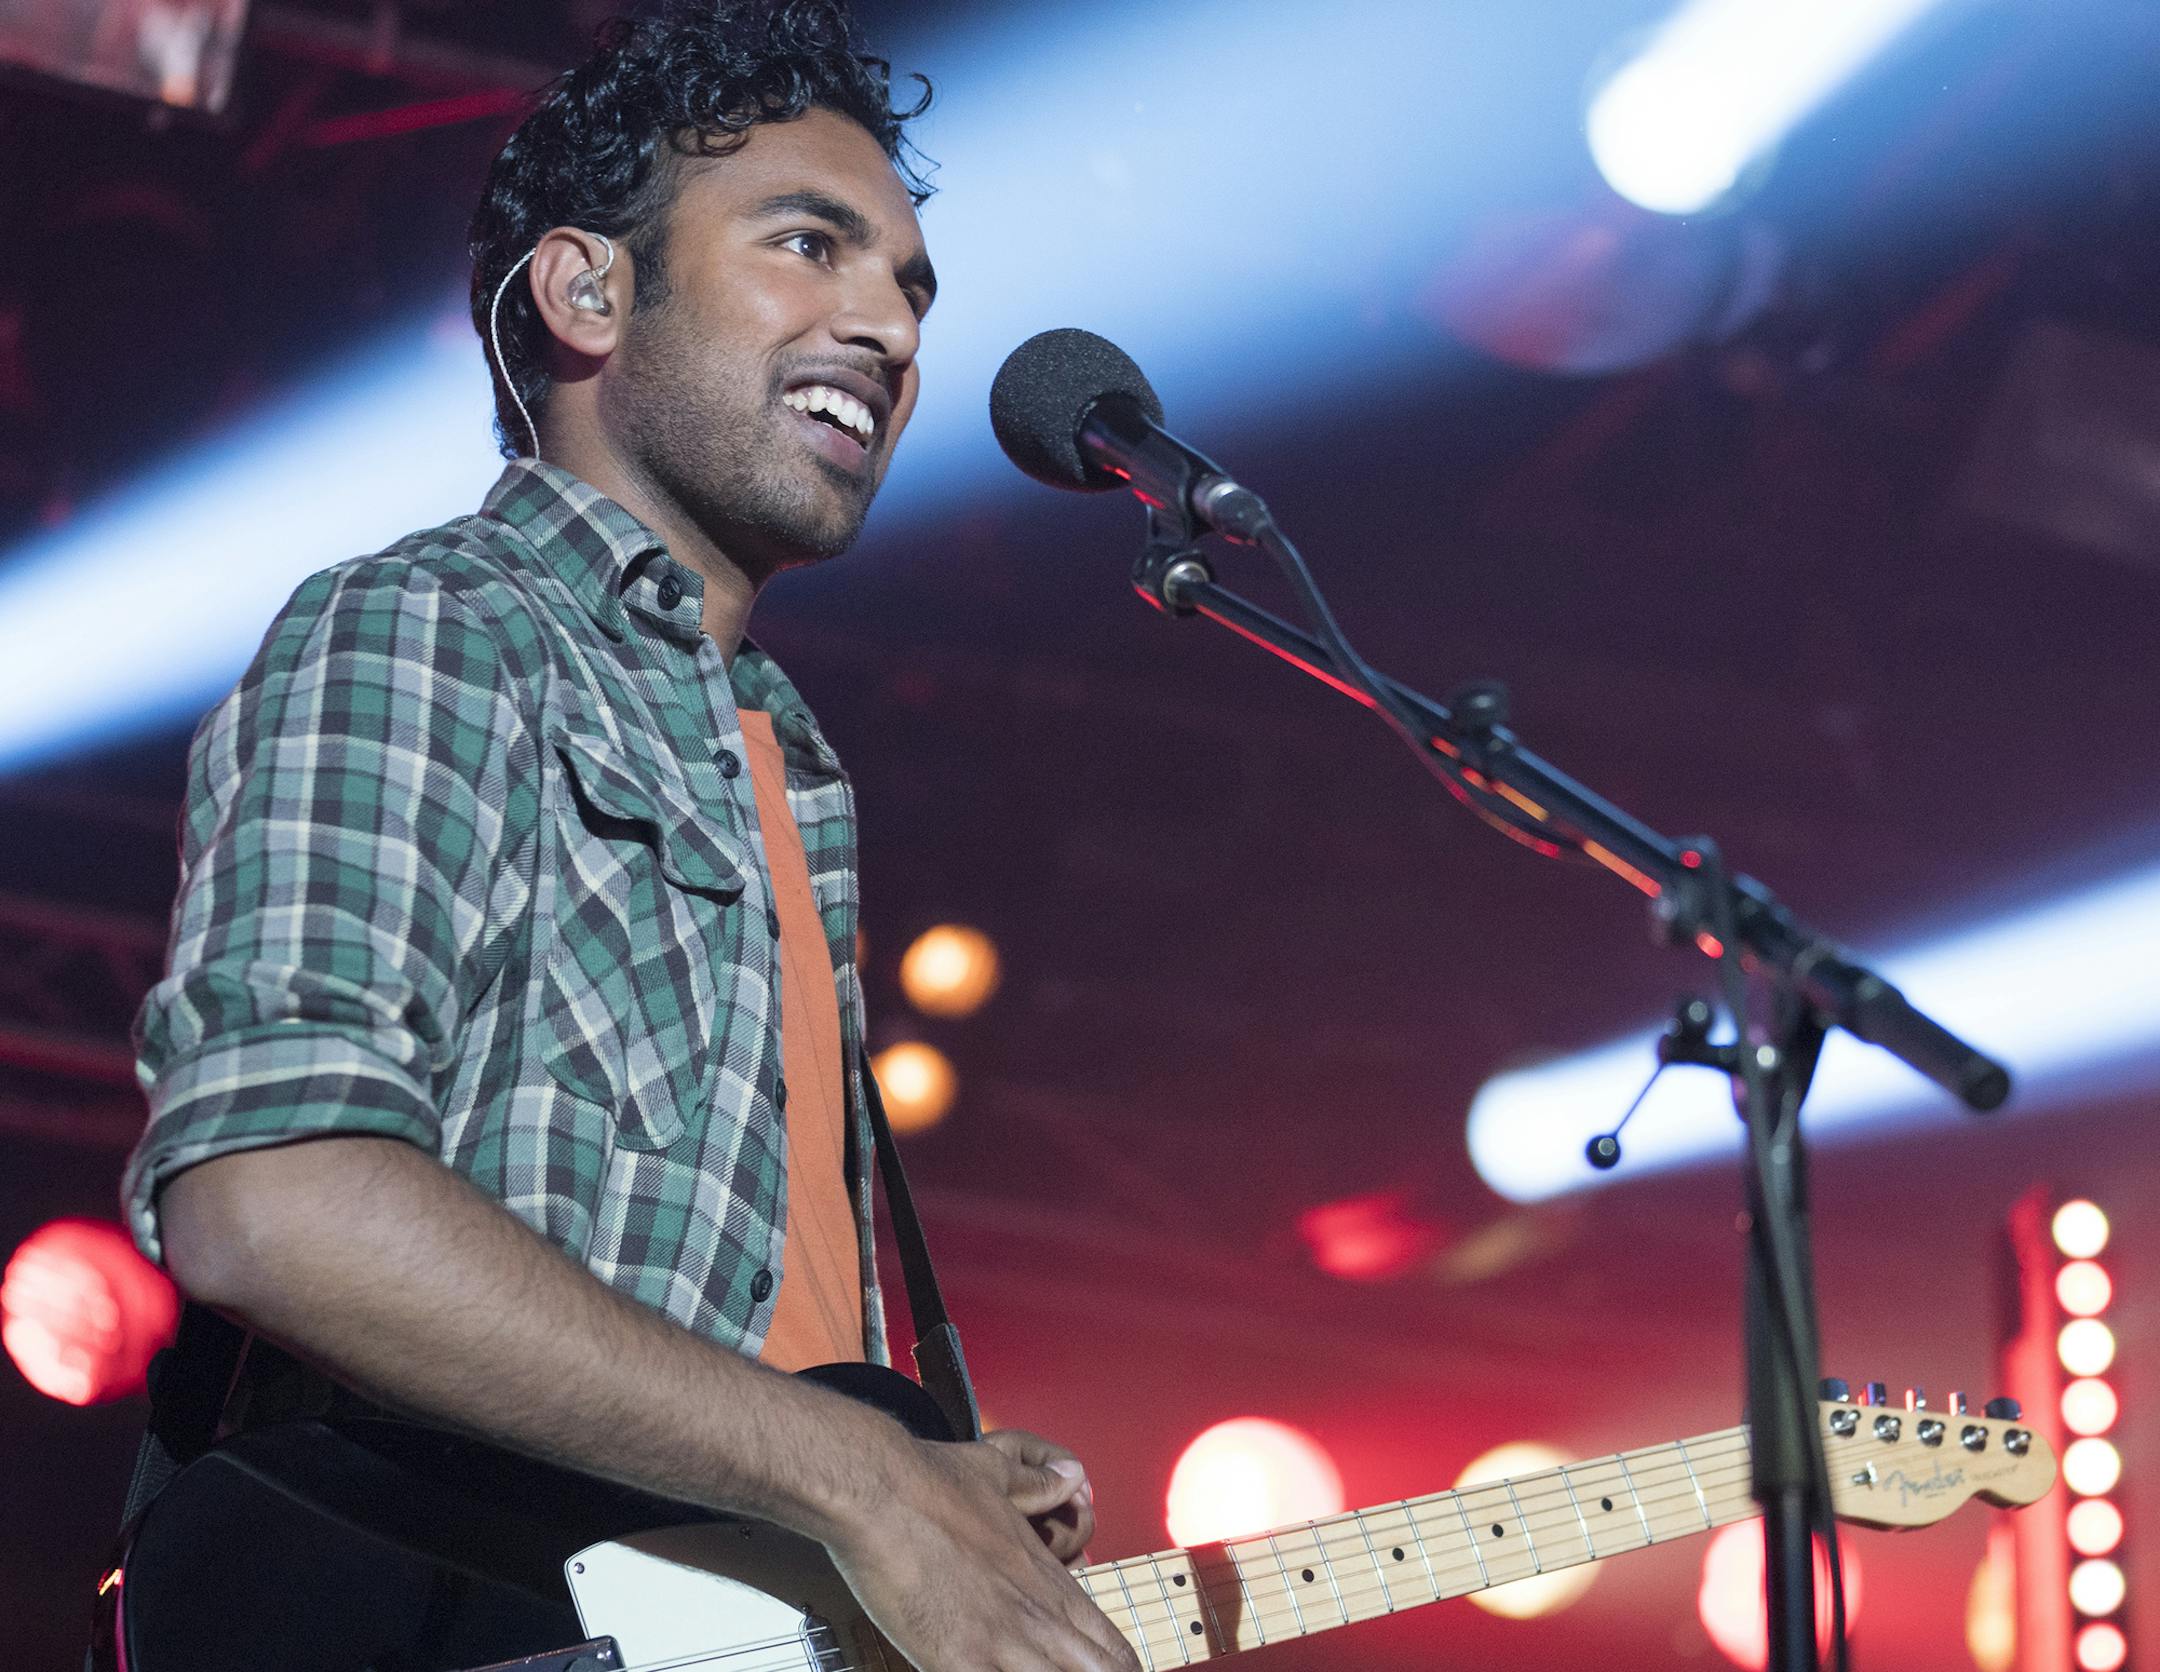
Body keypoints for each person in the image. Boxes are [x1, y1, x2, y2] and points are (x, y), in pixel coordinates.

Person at [119, 6, 1140, 1671]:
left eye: (910, 287)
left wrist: (922, 1481)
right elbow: (272, 1192)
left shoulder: (793, 764)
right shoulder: (435, 628)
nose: (885, 324)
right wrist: (865, 1487)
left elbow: (756, 1345)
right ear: (587, 293)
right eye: (812, 245)